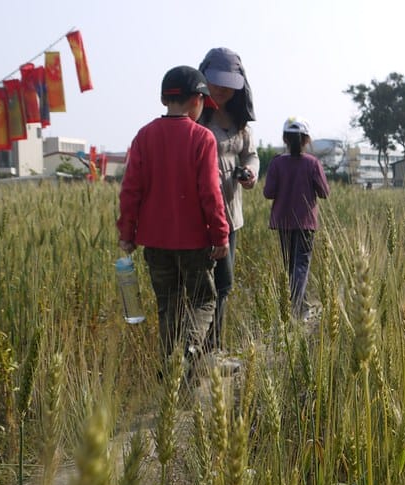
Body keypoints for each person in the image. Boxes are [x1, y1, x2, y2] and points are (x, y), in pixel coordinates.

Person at [116, 65, 229, 381]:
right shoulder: (201, 138)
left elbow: (131, 190)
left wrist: (127, 234)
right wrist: (220, 235)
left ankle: (170, 372)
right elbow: (210, 192)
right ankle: (190, 350)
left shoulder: (145, 135)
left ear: (165, 98)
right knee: (203, 300)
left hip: (154, 242)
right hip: (194, 242)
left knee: (168, 306)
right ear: (197, 99)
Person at [198, 47, 260, 352]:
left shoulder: (239, 121)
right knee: (199, 288)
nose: (221, 90)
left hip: (231, 216)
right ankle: (194, 352)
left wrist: (249, 171)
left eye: (228, 84)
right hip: (198, 217)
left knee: (224, 284)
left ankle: (214, 347)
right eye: (215, 82)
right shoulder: (195, 114)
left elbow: (251, 153)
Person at [263, 117, 330, 320]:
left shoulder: (276, 163)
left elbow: (268, 193)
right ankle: (297, 307)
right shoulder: (312, 163)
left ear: (285, 138)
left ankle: (299, 304)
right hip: (305, 223)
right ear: (306, 140)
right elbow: (324, 192)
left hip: (283, 222)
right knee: (301, 265)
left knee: (290, 264)